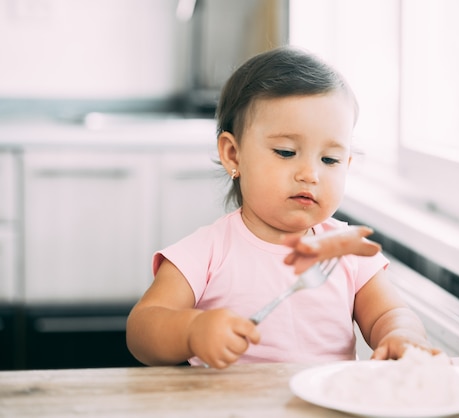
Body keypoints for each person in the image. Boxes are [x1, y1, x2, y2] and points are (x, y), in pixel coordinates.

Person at [126, 46, 437, 369]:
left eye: (329, 159)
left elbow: (389, 314)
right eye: (286, 152)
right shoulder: (206, 251)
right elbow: (142, 328)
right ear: (233, 155)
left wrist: (402, 335)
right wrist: (190, 331)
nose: (310, 174)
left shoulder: (346, 251)